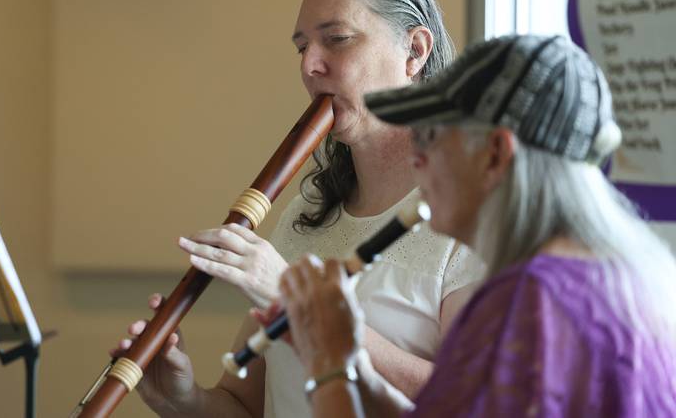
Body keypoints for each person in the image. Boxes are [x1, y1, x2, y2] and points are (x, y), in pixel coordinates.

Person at [111, 0, 485, 417]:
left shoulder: (474, 213)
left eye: (337, 40)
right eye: (302, 47)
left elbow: (470, 399)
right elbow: (247, 407)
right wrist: (180, 399)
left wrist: (299, 304)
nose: (310, 65)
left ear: (415, 51)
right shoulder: (310, 210)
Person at [278, 34, 676, 417]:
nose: (418, 158)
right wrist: (354, 361)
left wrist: (329, 365)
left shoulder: (532, 297)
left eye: (432, 135)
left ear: (495, 154)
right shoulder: (623, 279)